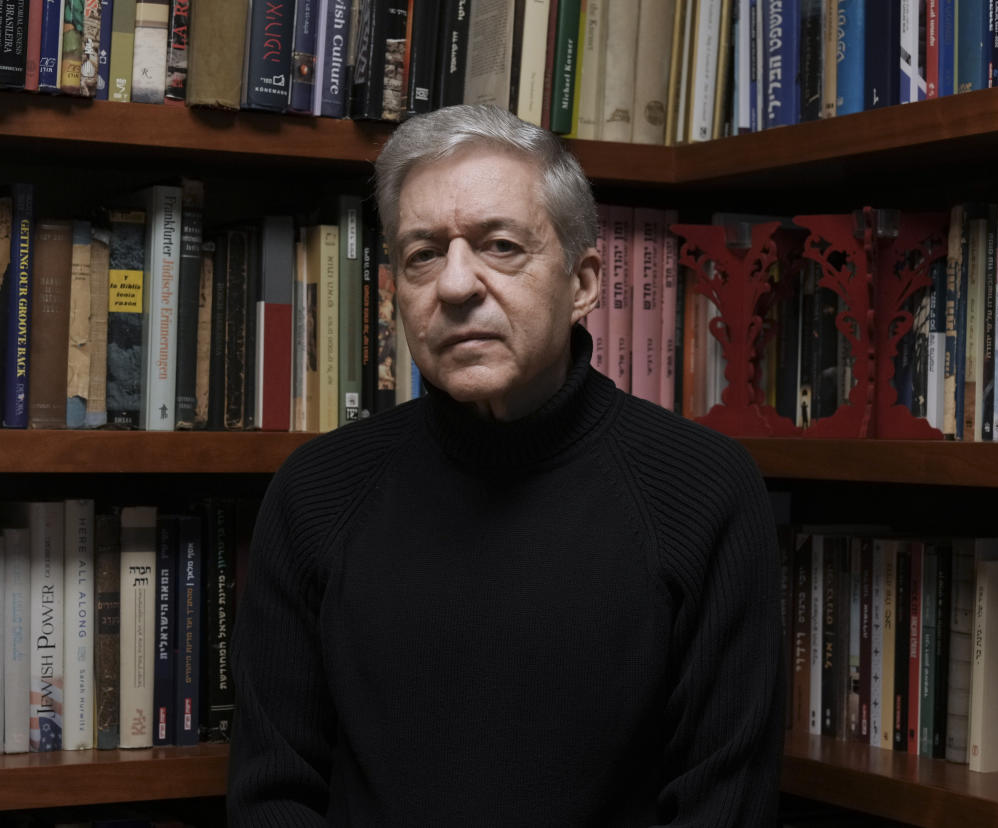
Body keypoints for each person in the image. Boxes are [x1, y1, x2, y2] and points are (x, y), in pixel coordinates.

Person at [228, 103, 784, 827]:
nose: (456, 286)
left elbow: (724, 807)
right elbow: (273, 794)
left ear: (583, 283)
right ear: (396, 293)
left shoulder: (705, 492)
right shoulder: (315, 493)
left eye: (499, 245)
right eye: (423, 254)